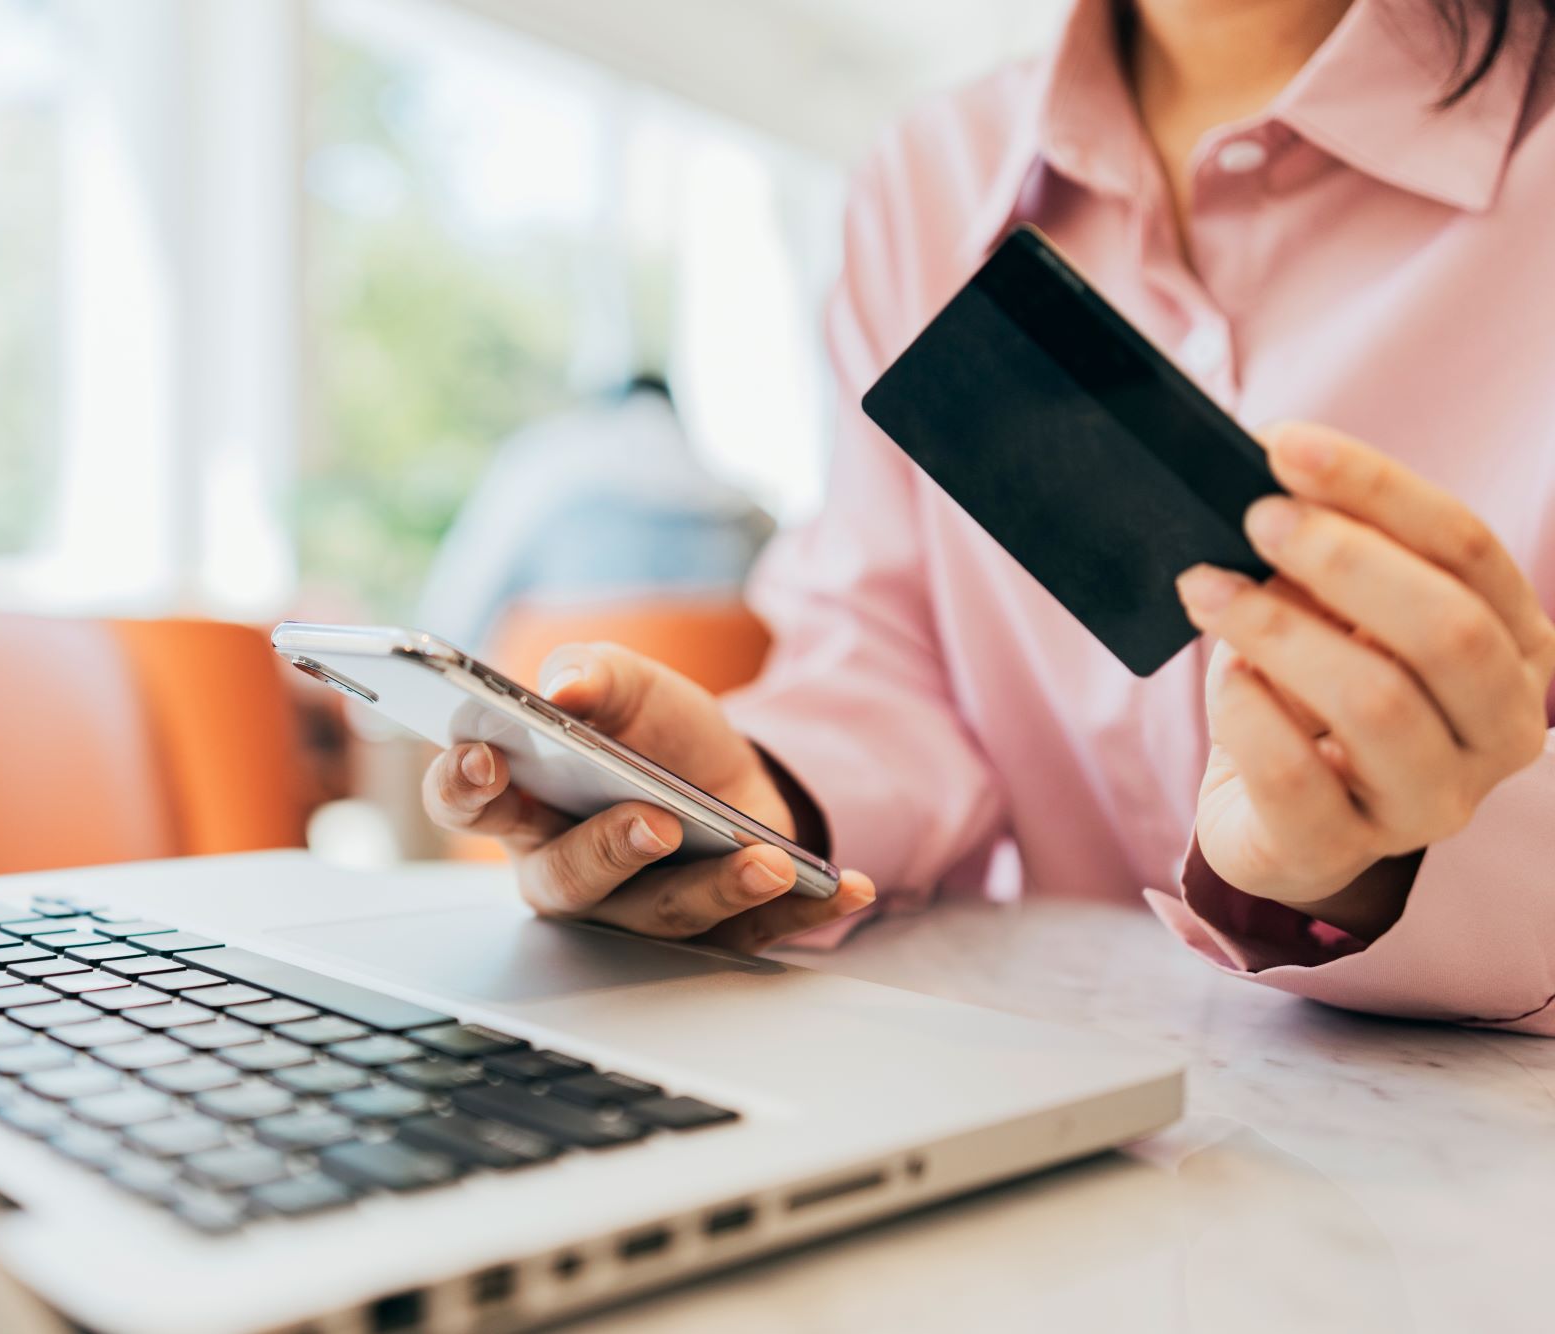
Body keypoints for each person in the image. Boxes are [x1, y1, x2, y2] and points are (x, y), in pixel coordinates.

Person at [422, 0, 1555, 1036]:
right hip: (1033, 1080)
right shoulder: (927, 177)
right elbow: (884, 653)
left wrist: (1359, 873)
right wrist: (762, 795)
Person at [413, 375, 774, 654]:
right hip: (717, 730)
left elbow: (451, 622)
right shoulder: (749, 507)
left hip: (562, 715)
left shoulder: (536, 469)